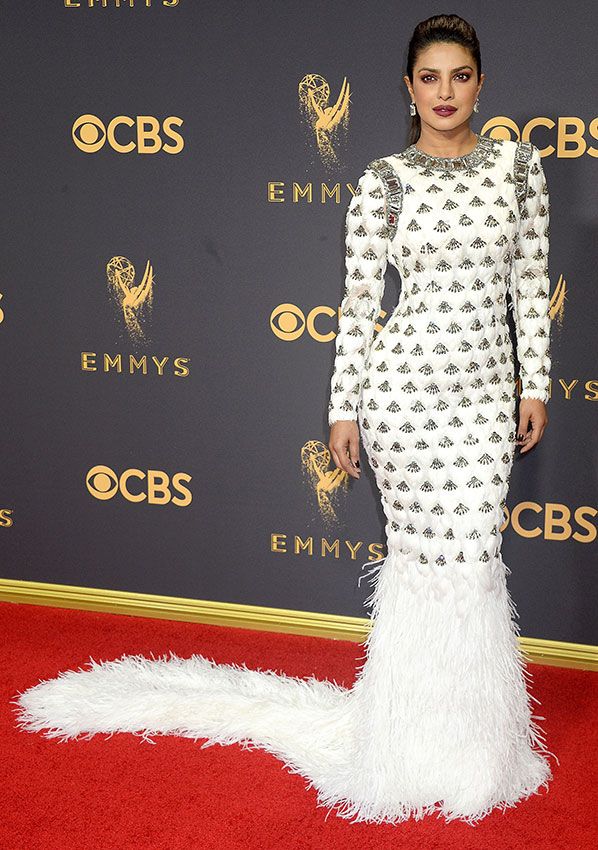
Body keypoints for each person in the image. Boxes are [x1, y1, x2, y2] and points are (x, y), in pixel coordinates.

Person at [12, 13, 557, 828]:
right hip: (404, 401)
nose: (446, 92)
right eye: (430, 77)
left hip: (483, 404)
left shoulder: (520, 169)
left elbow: (529, 286)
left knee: (475, 563)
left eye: (461, 75)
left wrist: (535, 385)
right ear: (408, 88)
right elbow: (359, 303)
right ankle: (407, 743)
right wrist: (343, 406)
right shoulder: (383, 182)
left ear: (482, 82)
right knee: (422, 569)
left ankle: (479, 746)